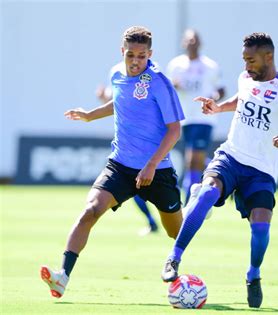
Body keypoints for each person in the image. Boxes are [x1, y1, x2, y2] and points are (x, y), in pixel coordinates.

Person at [161, 32, 278, 308]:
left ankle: (253, 274)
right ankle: (174, 257)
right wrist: (219, 107)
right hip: (231, 156)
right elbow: (243, 99)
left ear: (268, 57)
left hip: (262, 171)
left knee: (260, 228)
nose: (246, 65)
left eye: (251, 60)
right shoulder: (246, 78)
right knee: (208, 194)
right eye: (244, 60)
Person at [40, 26, 185, 298]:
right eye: (130, 54)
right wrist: (90, 115)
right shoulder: (116, 74)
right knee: (90, 210)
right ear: (122, 52)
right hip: (120, 165)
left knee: (176, 232)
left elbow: (175, 129)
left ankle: (182, 270)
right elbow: (119, 102)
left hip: (157, 170)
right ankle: (62, 276)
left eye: (141, 56)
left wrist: (151, 164)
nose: (135, 61)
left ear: (150, 55)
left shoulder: (160, 82)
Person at [97, 70, 159, 236]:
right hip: (128, 144)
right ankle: (152, 221)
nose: (135, 59)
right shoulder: (116, 73)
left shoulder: (152, 72)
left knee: (155, 186)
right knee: (137, 186)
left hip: (148, 144)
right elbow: (115, 102)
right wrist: (103, 97)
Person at [166, 29, 225, 203]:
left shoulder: (210, 66)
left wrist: (213, 98)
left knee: (192, 161)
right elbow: (166, 89)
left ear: (200, 43)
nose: (191, 43)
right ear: (183, 43)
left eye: (194, 40)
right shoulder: (175, 65)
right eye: (188, 40)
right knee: (192, 161)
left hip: (204, 118)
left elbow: (221, 89)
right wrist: (173, 86)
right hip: (184, 119)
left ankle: (188, 204)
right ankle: (219, 170)